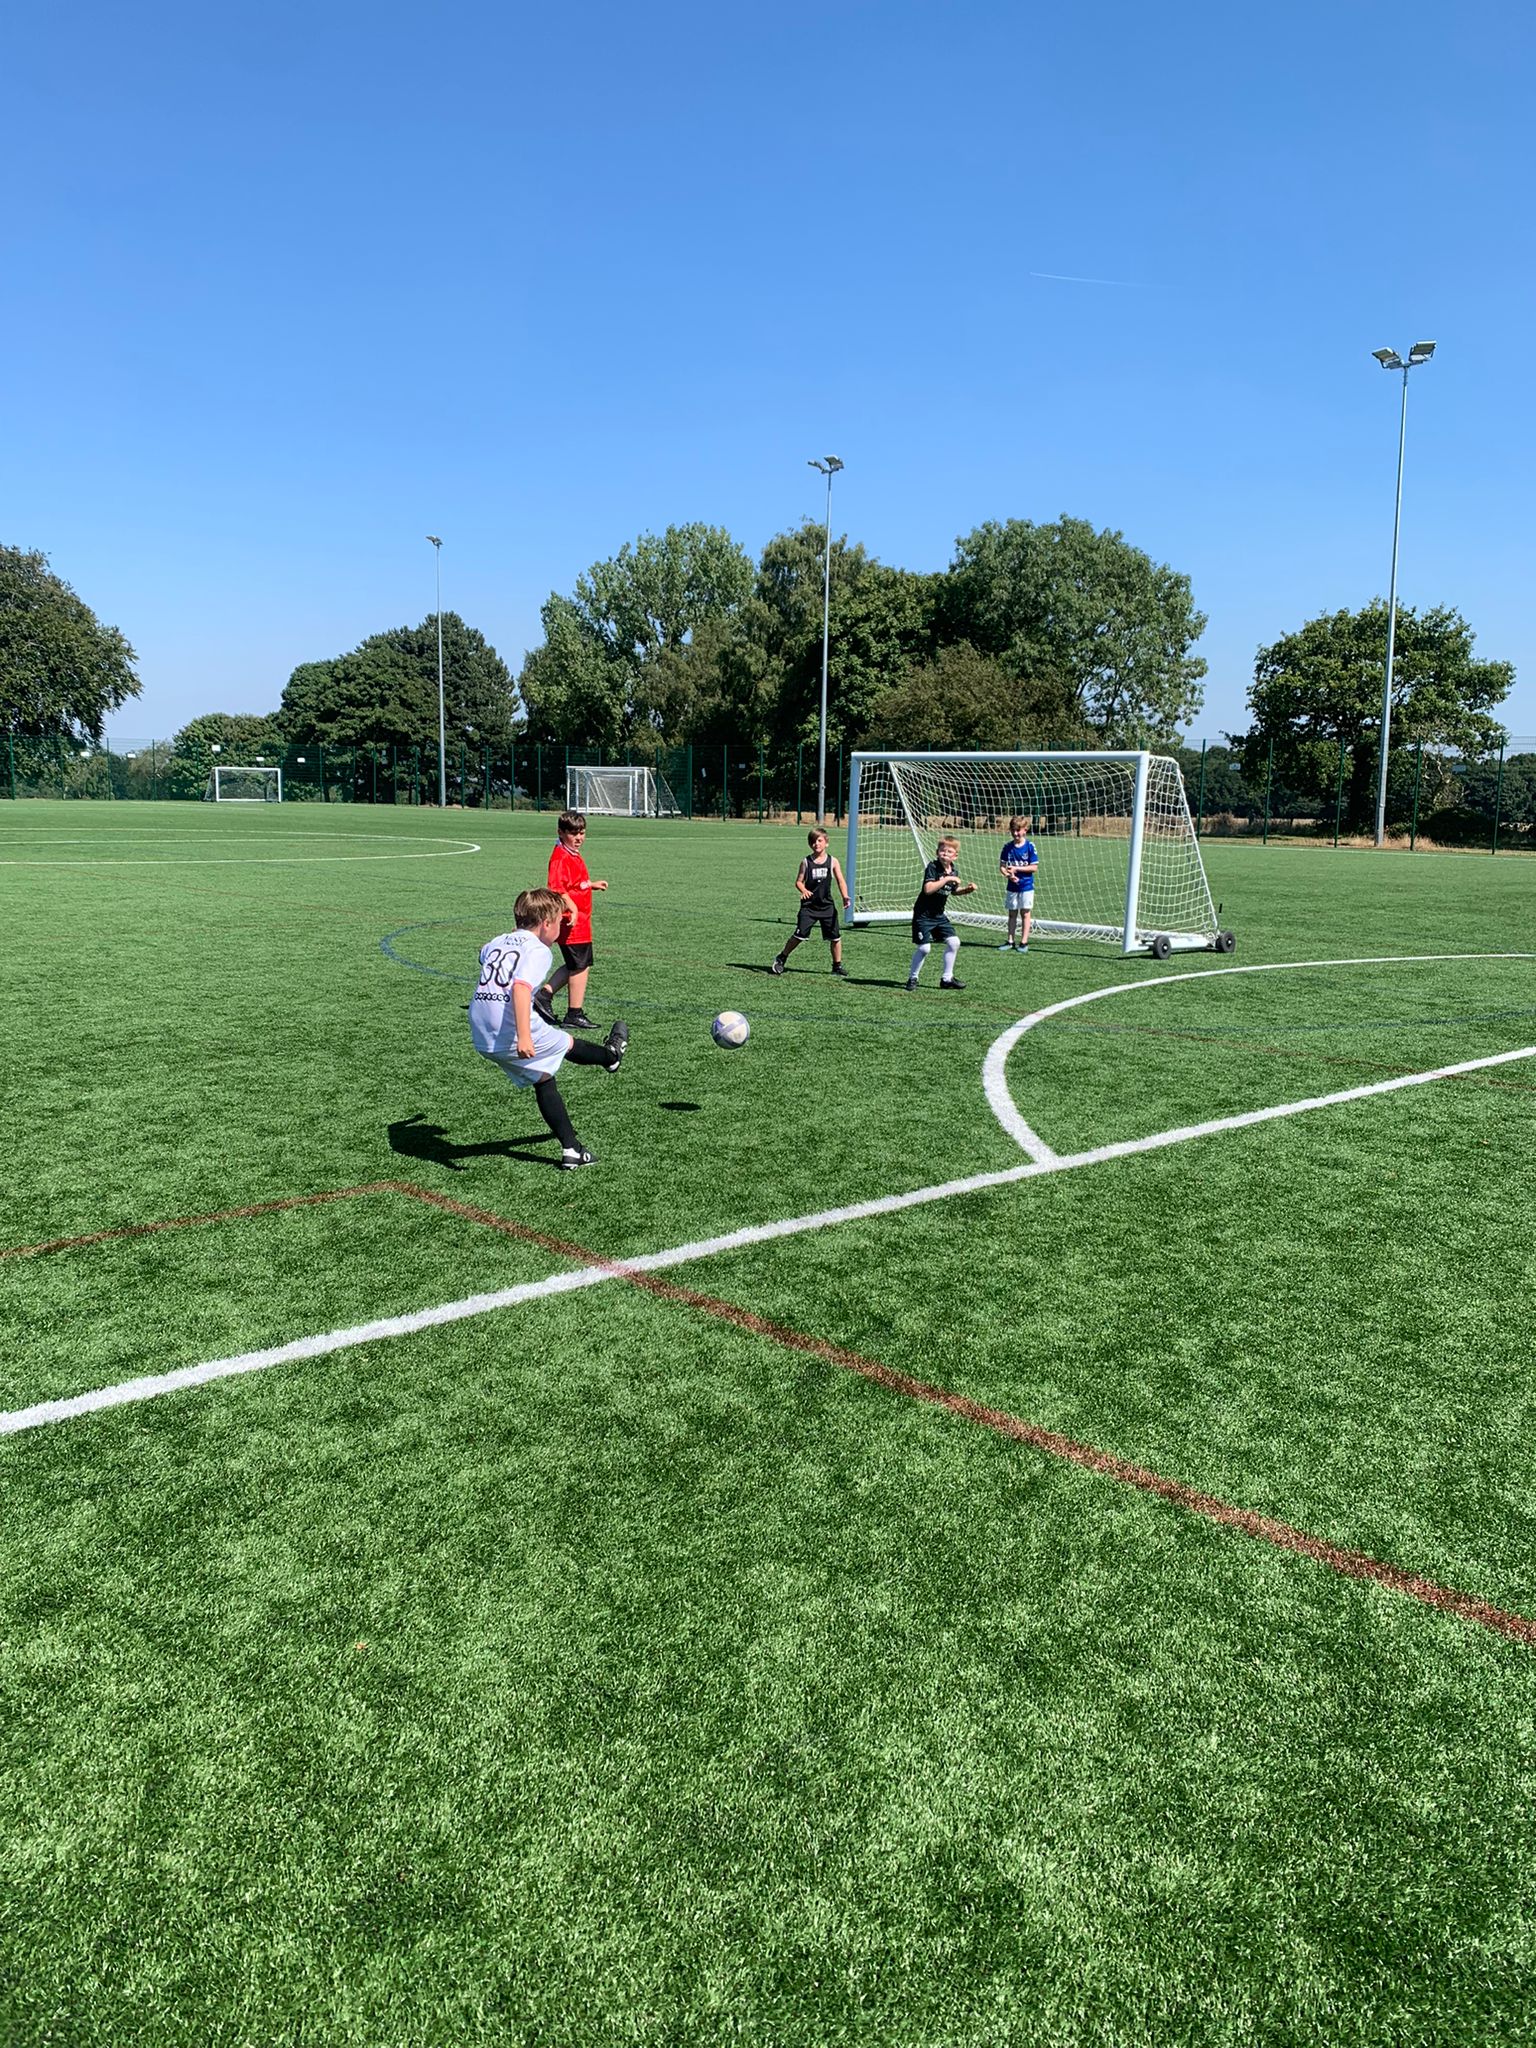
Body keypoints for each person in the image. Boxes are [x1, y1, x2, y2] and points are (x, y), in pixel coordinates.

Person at [470, 887, 628, 1171]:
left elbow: (484, 956)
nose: (560, 928)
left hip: (481, 1033)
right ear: (545, 924)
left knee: (543, 1077)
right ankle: (612, 1056)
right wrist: (524, 1036)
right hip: (511, 1029)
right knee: (567, 1044)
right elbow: (520, 988)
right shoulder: (539, 951)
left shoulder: (497, 941)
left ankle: (572, 1150)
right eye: (558, 922)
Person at [542, 810, 608, 1029]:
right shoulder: (560, 856)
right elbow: (556, 887)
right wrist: (572, 907)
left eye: (582, 833)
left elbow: (572, 882)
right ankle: (574, 1013)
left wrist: (590, 885)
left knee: (576, 964)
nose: (579, 838)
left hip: (580, 921)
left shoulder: (570, 853)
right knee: (580, 966)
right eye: (573, 833)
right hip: (572, 922)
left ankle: (544, 996)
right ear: (560, 833)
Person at [770, 827, 851, 977]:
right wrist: (804, 890)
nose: (816, 844)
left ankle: (837, 966)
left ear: (826, 843)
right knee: (799, 935)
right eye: (813, 841)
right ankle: (781, 957)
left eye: (819, 840)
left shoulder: (833, 861)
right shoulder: (806, 862)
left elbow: (840, 880)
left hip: (827, 906)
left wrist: (845, 896)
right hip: (809, 907)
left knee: (835, 937)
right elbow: (798, 882)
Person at [907, 836, 977, 991]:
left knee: (954, 942)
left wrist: (967, 890)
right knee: (924, 949)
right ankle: (913, 978)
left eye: (949, 851)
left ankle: (947, 979)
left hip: (939, 916)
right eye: (942, 850)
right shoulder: (932, 867)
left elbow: (953, 891)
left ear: (955, 856)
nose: (945, 853)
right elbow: (928, 889)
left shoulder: (953, 870)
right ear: (937, 852)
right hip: (923, 915)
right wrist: (947, 879)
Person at [997, 814, 1039, 952]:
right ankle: (1010, 941)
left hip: (1026, 886)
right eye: (1013, 830)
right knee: (1012, 914)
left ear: (1025, 830)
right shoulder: (1007, 847)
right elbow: (1002, 867)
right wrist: (1008, 875)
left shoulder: (1030, 846)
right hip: (1012, 886)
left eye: (1018, 830)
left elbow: (1034, 867)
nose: (1015, 833)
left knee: (1025, 913)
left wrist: (1017, 869)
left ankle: (1024, 942)